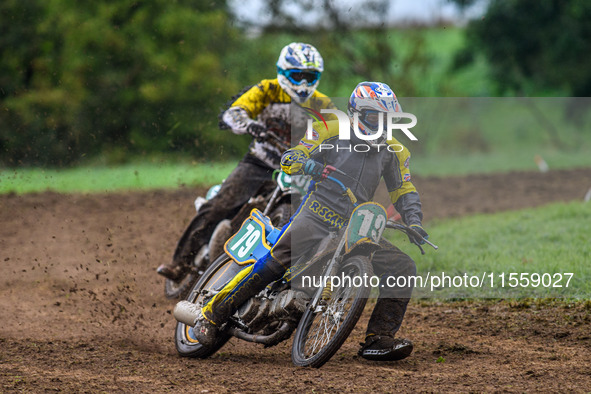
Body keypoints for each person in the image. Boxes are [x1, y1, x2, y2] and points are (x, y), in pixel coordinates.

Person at [192, 81, 429, 362]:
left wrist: (414, 221)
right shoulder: (329, 130)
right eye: (375, 117)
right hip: (318, 212)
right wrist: (309, 164)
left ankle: (378, 340)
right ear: (357, 114)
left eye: (386, 118)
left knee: (403, 266)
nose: (382, 124)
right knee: (274, 263)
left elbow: (404, 191)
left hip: (354, 222)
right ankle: (212, 315)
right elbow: (291, 157)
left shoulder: (395, 151)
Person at [157, 42, 336, 280]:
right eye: (297, 76)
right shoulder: (267, 90)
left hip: (298, 169)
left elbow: (337, 134)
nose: (303, 83)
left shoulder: (323, 104)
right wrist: (249, 123)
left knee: (307, 216)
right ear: (283, 73)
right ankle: (181, 263)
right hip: (260, 162)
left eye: (310, 77)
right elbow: (235, 110)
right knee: (221, 204)